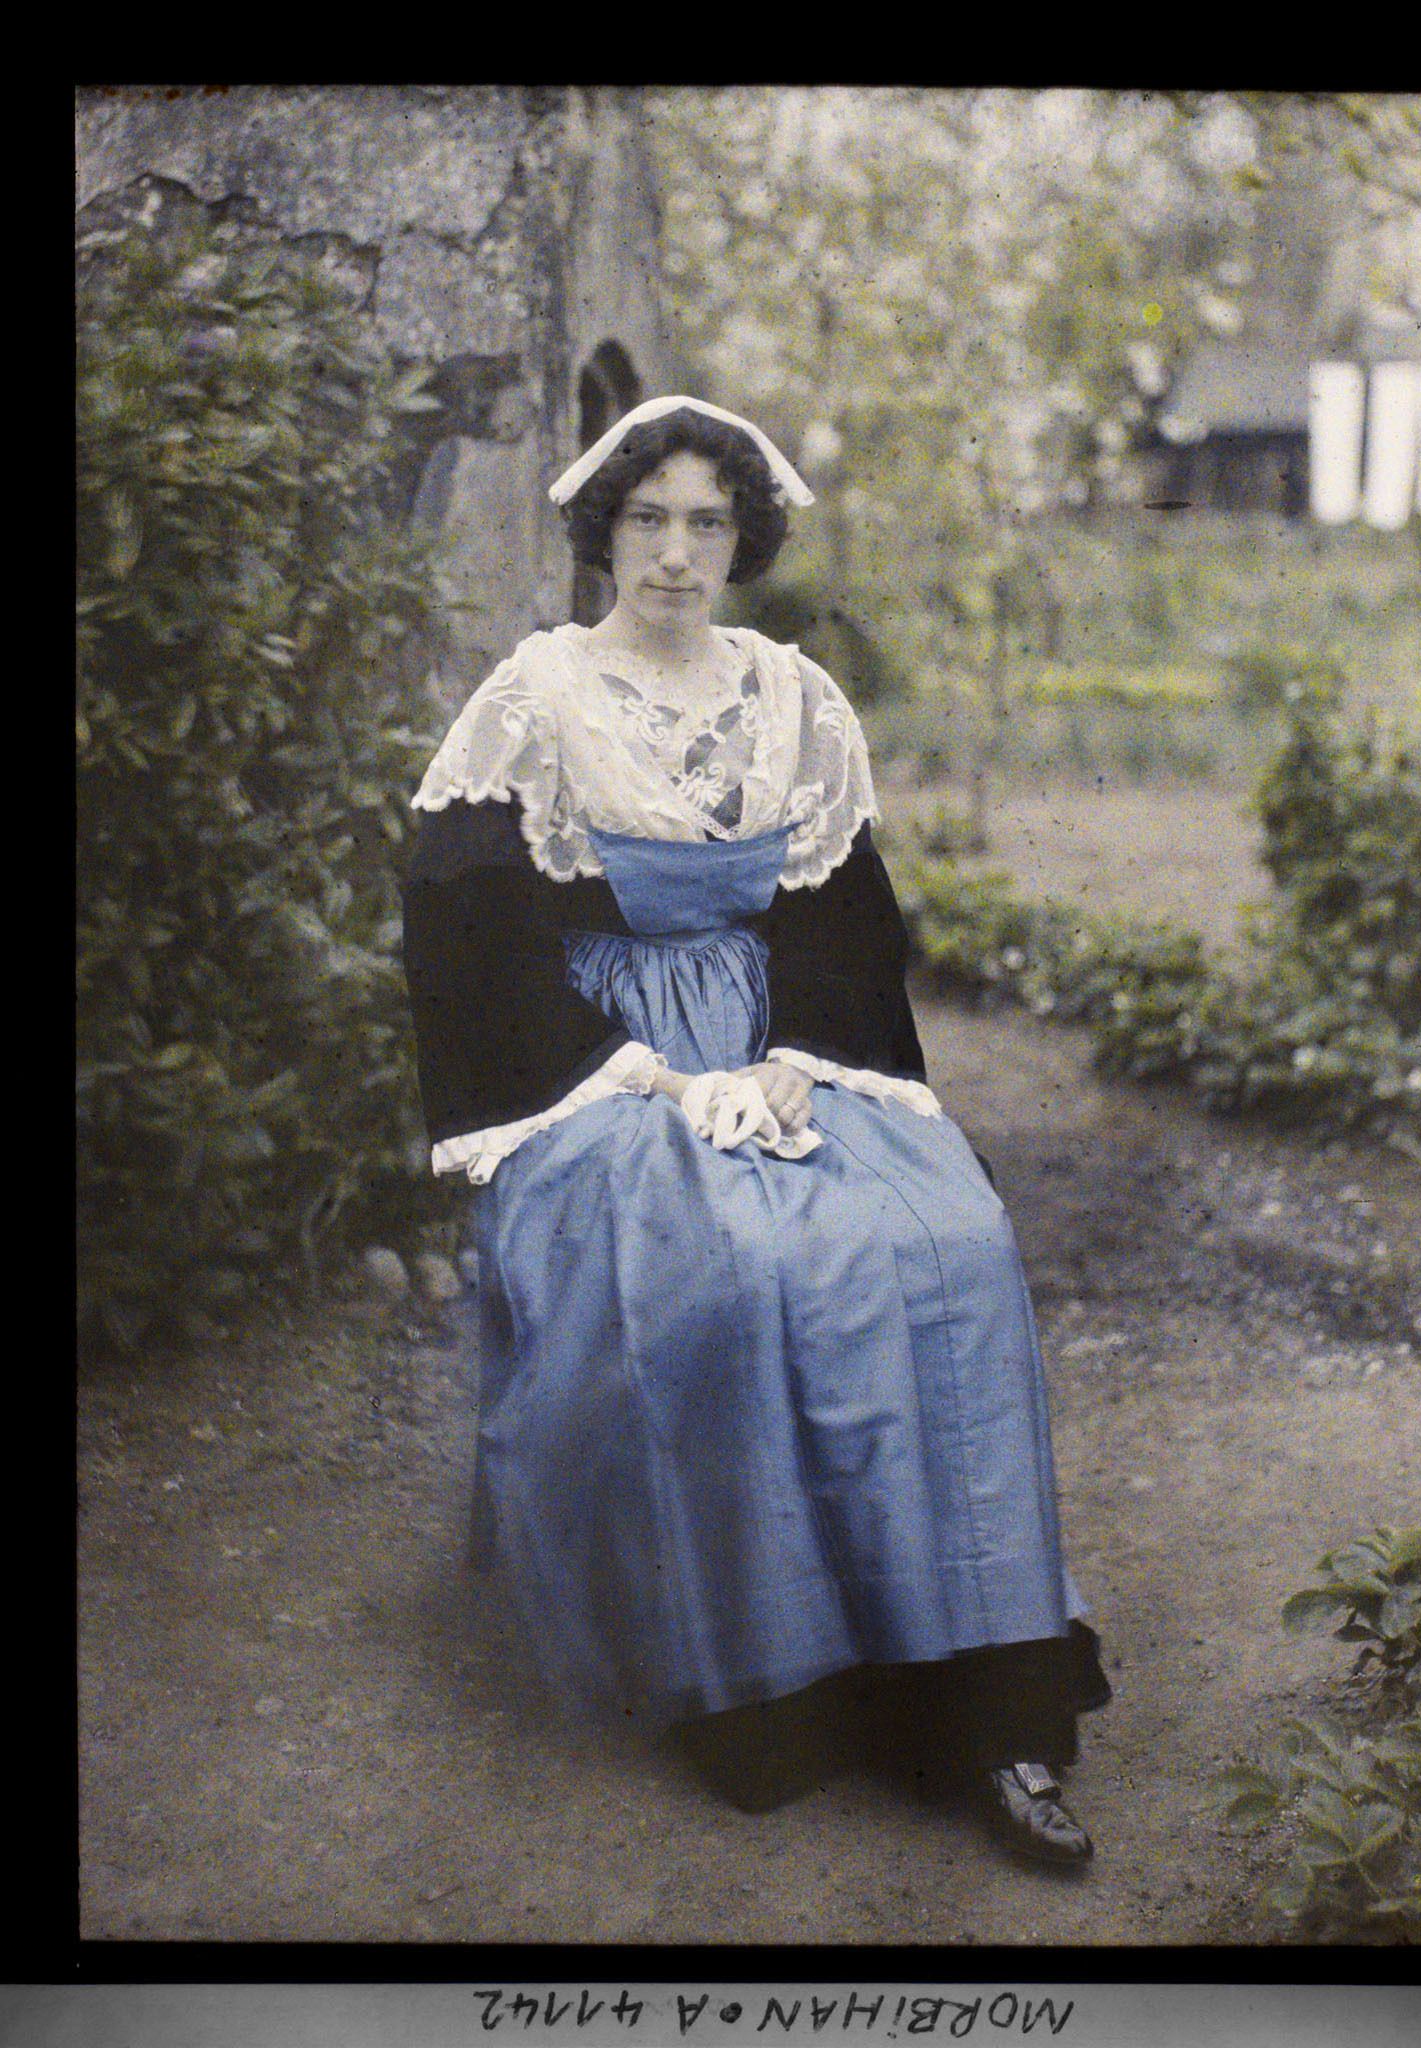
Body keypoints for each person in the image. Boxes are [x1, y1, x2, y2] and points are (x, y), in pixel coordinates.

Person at [401, 396, 1109, 1867]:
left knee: (949, 1239)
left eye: (706, 523)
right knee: (733, 1262)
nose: (675, 553)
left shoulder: (795, 698)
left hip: (783, 1044)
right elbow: (470, 937)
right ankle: (781, 1680)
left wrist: (796, 1057)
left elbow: (844, 918)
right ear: (604, 534)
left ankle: (989, 1694)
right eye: (647, 520)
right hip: (599, 1067)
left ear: (743, 539)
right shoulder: (534, 697)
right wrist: (652, 1080)